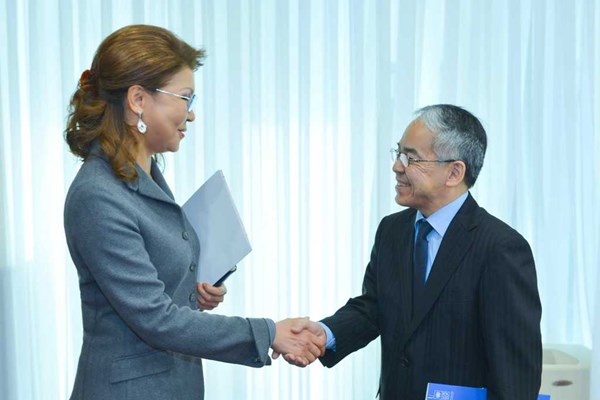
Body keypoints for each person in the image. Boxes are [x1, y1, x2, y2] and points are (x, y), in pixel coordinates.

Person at [63, 24, 324, 400]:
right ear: (138, 99)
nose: (191, 114)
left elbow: (149, 288)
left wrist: (192, 291)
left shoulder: (144, 173)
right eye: (185, 98)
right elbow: (155, 318)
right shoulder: (97, 194)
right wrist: (269, 333)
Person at [284, 105, 543, 399]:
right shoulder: (392, 231)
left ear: (454, 172)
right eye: (398, 153)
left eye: (411, 157)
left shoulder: (500, 248)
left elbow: (516, 378)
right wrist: (325, 334)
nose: (397, 166)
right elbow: (373, 308)